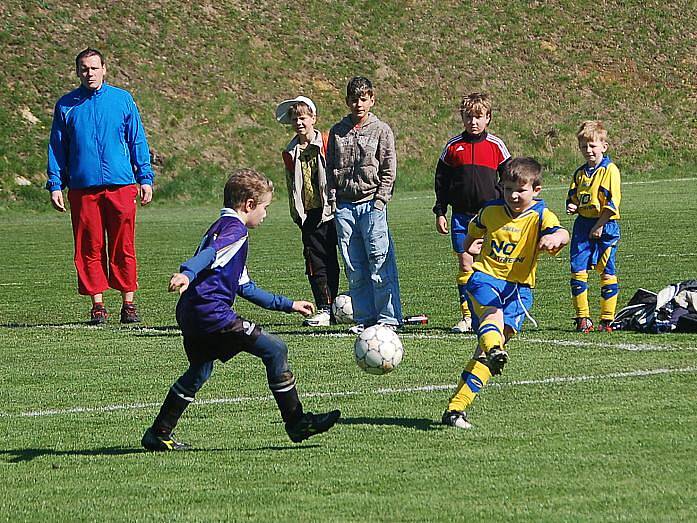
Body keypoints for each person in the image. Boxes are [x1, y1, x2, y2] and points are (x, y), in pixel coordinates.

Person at [141, 168, 340, 451]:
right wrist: (186, 272)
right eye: (265, 207)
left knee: (199, 371)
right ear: (248, 205)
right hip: (211, 313)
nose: (265, 214)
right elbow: (206, 256)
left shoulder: (218, 227)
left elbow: (245, 287)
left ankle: (159, 433)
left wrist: (289, 305)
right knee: (275, 349)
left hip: (190, 312)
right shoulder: (235, 231)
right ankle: (296, 423)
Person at [441, 157, 569, 429]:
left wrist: (552, 239)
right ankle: (495, 349)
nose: (513, 195)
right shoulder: (490, 211)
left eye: (520, 190)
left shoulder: (540, 215)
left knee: (485, 353)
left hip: (519, 290)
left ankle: (456, 408)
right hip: (485, 278)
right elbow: (472, 233)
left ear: (536, 190)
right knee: (493, 317)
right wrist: (470, 245)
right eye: (508, 188)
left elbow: (562, 233)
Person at [46, 48, 154, 325]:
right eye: (84, 68)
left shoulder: (122, 100)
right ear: (77, 71)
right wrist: (55, 184)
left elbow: (137, 141)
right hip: (83, 188)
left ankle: (128, 303)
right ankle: (98, 304)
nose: (89, 73)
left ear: (104, 69)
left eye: (94, 68)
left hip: (121, 185)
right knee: (88, 247)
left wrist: (145, 178)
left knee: (123, 245)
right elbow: (57, 148)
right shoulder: (66, 105)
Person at [326, 76, 402, 333]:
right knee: (354, 266)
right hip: (344, 207)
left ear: (372, 100)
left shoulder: (381, 130)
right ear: (347, 101)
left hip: (372, 203)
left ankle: (389, 319)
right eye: (353, 99)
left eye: (363, 99)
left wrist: (381, 200)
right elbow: (329, 168)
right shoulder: (337, 131)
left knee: (379, 261)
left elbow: (389, 168)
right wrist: (334, 201)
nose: (358, 104)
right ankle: (366, 318)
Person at [433, 92, 510, 334]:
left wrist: (504, 205)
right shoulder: (453, 147)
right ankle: (468, 317)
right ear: (462, 118)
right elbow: (441, 180)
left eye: (478, 117)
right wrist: (440, 210)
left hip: (490, 219)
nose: (473, 122)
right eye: (468, 117)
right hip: (461, 217)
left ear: (488, 118)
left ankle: (493, 312)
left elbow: (509, 177)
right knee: (466, 266)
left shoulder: (496, 146)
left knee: (490, 266)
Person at [276, 95, 340, 327]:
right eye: (294, 119)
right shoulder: (290, 152)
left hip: (333, 210)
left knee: (346, 258)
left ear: (313, 118)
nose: (299, 123)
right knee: (316, 262)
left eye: (303, 117)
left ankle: (355, 304)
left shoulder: (326, 142)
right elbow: (291, 184)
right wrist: (296, 213)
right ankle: (324, 307)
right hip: (309, 215)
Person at [566, 121, 622, 333]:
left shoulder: (610, 170)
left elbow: (612, 204)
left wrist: (599, 225)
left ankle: (607, 319)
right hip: (582, 225)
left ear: (604, 146)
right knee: (577, 270)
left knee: (606, 270)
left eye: (592, 146)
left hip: (605, 225)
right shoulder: (580, 173)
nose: (588, 150)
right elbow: (573, 197)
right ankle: (582, 318)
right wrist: (572, 206)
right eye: (584, 147)